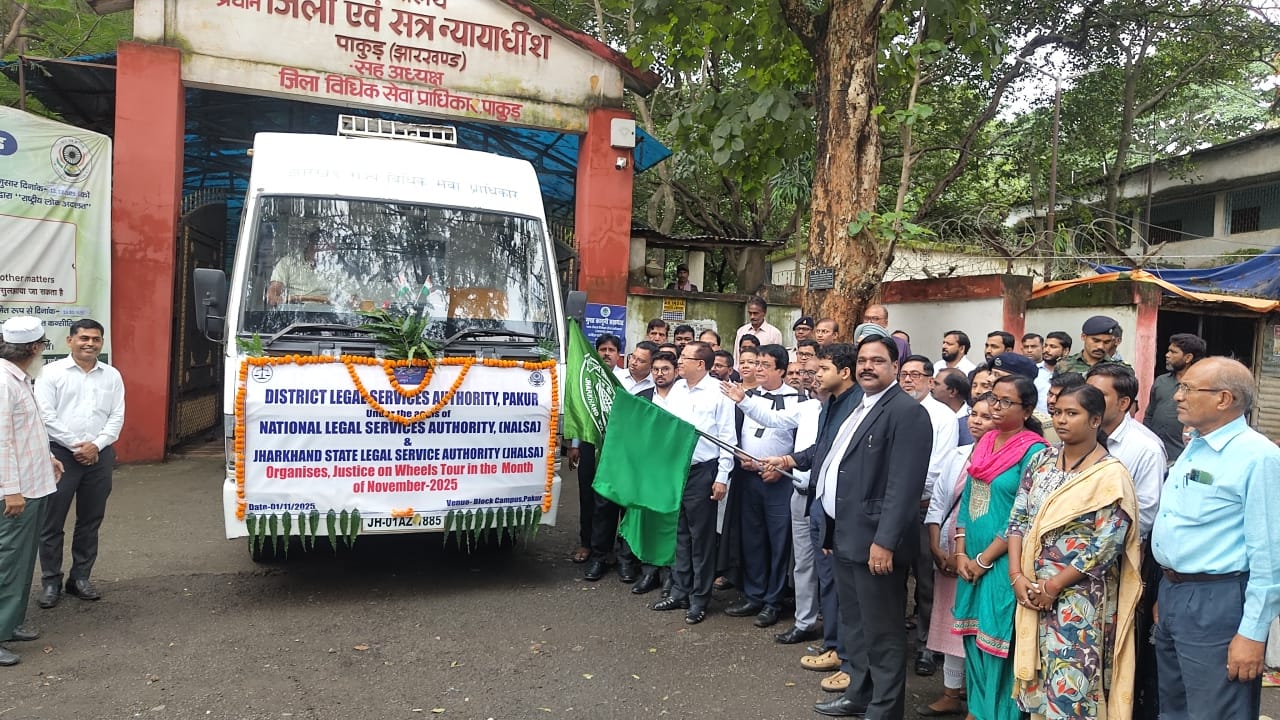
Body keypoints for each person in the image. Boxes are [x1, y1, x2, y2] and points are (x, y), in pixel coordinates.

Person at [769, 335, 931, 718]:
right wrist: (829, 530)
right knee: (855, 626)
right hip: (844, 536)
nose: (868, 366)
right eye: (863, 360)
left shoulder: (907, 412)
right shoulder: (857, 405)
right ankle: (859, 694)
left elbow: (904, 486)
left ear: (895, 366)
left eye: (878, 360)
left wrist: (885, 542)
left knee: (883, 631)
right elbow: (834, 465)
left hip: (876, 543)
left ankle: (884, 709)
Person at [1151, 357, 1280, 720]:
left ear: (1224, 399)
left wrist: (1252, 633)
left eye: (1188, 388)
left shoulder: (1258, 457)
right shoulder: (1196, 444)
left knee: (1215, 711)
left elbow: (1269, 555)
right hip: (1176, 593)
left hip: (1218, 600)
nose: (1177, 396)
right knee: (1174, 709)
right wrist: (1169, 589)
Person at [1008, 384, 1142, 719]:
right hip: (1031, 589)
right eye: (1057, 412)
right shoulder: (1041, 461)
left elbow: (1105, 546)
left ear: (1095, 420)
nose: (1061, 420)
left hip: (1080, 597)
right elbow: (1018, 519)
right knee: (1038, 685)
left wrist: (1054, 586)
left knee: (1072, 687)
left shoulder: (1110, 475)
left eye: (1072, 413)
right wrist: (1016, 576)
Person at [952, 375, 1046, 720]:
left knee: (998, 643)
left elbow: (1023, 514)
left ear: (1027, 410)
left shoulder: (1035, 451)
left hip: (1004, 563)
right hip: (970, 559)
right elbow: (968, 500)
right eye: (993, 398)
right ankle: (977, 710)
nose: (995, 406)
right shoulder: (986, 440)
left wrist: (984, 560)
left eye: (1006, 402)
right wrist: (961, 552)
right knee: (973, 638)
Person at [35, 319, 126, 608]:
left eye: (95, 339)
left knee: (90, 520)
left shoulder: (111, 375)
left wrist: (96, 446)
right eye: (84, 338)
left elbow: (117, 416)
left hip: (99, 456)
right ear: (70, 340)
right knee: (52, 522)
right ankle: (51, 582)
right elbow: (45, 416)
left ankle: (80, 578)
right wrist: (78, 446)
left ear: (102, 343)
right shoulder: (50, 373)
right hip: (60, 456)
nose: (90, 344)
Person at [918, 396, 996, 717]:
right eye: (974, 414)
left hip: (983, 558)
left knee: (978, 628)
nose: (976, 421)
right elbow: (938, 502)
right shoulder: (958, 455)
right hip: (948, 553)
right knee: (950, 623)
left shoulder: (1004, 460)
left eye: (986, 416)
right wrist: (937, 548)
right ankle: (951, 692)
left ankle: (977, 702)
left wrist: (969, 556)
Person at [651, 342, 736, 625]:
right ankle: (680, 591)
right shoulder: (677, 389)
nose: (679, 362)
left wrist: (722, 477)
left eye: (685, 358)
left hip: (704, 471)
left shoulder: (719, 393)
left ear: (700, 364)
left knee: (701, 538)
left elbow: (727, 438)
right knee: (681, 533)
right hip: (677, 470)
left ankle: (700, 598)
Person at [721, 345, 802, 628]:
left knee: (778, 541)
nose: (758, 369)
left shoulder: (798, 400)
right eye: (757, 364)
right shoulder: (746, 396)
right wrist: (739, 455)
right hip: (748, 478)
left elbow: (802, 443)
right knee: (752, 537)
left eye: (766, 365)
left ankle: (774, 600)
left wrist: (783, 468)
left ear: (782, 370)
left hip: (778, 480)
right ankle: (754, 594)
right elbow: (732, 433)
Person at [0, 317, 63, 667]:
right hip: (16, 492)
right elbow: (2, 441)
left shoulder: (18, 378)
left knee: (22, 561)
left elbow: (27, 430)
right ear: (36, 348)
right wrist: (11, 490)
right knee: (7, 563)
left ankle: (10, 623)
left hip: (33, 485)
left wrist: (48, 458)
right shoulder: (3, 382)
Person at [897, 355, 959, 677]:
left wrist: (903, 489)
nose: (908, 380)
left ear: (930, 381)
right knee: (893, 575)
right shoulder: (894, 410)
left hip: (924, 506)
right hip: (895, 508)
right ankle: (895, 641)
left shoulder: (943, 417)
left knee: (926, 580)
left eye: (916, 375)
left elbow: (938, 469)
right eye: (904, 375)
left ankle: (926, 645)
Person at [1085, 363, 1166, 539]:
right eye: (1086, 392)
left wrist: (1094, 543)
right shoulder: (1081, 433)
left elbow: (1144, 515)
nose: (1088, 401)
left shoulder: (1147, 448)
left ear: (1123, 403)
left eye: (1099, 395)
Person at [567, 333, 624, 566]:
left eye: (612, 350)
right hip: (590, 445)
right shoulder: (587, 378)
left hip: (616, 450)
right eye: (603, 349)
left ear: (619, 355)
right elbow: (580, 413)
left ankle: (609, 548)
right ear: (596, 352)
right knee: (587, 495)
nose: (607, 354)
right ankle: (586, 543)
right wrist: (575, 445)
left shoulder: (624, 381)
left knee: (611, 499)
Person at [1144, 333, 1206, 462]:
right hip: (1154, 454)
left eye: (1173, 352)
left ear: (1188, 357)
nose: (1167, 355)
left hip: (1183, 456)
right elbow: (1149, 414)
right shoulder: (1161, 381)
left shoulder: (1203, 386)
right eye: (1168, 351)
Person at [1056, 315, 1130, 376]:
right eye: (1096, 341)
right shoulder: (1063, 365)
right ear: (1083, 337)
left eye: (1107, 342)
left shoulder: (1121, 369)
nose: (1100, 346)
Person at [931, 368, 973, 448]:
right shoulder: (930, 411)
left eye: (936, 384)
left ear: (952, 392)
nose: (931, 387)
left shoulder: (970, 422)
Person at [733, 297, 783, 361]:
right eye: (750, 313)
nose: (752, 316)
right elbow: (736, 357)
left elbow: (778, 358)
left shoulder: (774, 333)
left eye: (755, 313)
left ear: (764, 313)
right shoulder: (742, 331)